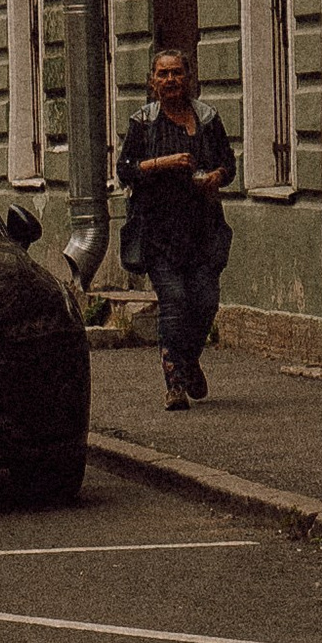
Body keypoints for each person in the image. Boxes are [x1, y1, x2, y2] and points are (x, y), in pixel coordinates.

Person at [117, 45, 236, 409]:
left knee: (205, 302)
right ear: (152, 82)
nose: (170, 80)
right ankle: (174, 385)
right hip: (158, 232)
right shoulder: (143, 123)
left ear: (189, 78)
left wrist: (216, 176)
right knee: (175, 302)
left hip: (202, 230)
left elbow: (229, 166)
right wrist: (162, 163)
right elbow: (125, 170)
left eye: (177, 73)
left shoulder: (208, 118)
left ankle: (188, 358)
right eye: (163, 74)